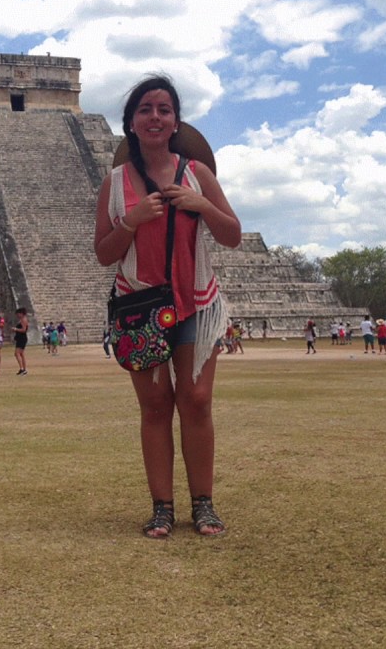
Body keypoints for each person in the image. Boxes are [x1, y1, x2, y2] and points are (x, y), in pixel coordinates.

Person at [94, 74, 241, 538]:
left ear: (176, 121)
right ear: (131, 123)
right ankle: (162, 506)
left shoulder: (197, 174)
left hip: (196, 301)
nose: (155, 117)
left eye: (164, 109)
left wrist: (202, 205)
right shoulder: (114, 183)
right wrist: (132, 221)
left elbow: (232, 235)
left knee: (196, 401)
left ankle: (204, 503)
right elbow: (104, 253)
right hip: (140, 307)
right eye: (145, 109)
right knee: (155, 407)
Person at [12, 307, 30, 375]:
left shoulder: (23, 320)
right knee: (21, 354)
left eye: (18, 314)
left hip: (22, 338)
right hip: (20, 337)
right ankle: (24, 369)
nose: (17, 315)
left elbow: (24, 330)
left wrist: (16, 329)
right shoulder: (22, 319)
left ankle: (22, 368)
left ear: (21, 313)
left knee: (17, 353)